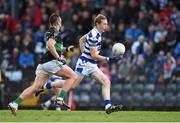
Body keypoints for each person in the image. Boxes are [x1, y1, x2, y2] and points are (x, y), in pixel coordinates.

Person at [36, 14, 123, 114]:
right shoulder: (94, 36)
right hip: (85, 65)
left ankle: (108, 106)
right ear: (97, 24)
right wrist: (109, 58)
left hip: (90, 64)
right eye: (104, 24)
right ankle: (48, 85)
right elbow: (94, 55)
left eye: (106, 24)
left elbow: (81, 39)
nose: (105, 26)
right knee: (71, 85)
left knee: (106, 82)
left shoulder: (95, 32)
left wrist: (83, 53)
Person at [8, 13, 77, 116]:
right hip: (52, 62)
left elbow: (54, 47)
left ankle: (15, 103)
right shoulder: (55, 32)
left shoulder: (50, 32)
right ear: (58, 22)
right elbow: (50, 45)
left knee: (35, 87)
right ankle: (59, 98)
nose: (61, 22)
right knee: (73, 77)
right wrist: (59, 58)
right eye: (60, 20)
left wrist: (66, 49)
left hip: (43, 64)